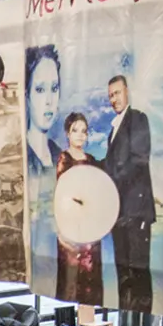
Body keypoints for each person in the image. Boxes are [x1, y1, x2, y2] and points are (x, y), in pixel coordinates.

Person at [103, 74, 155, 313]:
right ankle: (126, 317)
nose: (114, 99)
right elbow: (114, 165)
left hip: (135, 212)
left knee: (138, 271)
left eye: (117, 93)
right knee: (124, 272)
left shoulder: (137, 120)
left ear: (127, 92)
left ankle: (140, 323)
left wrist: (109, 177)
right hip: (119, 213)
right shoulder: (113, 129)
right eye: (111, 95)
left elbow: (138, 160)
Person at [55, 112, 105, 305]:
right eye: (75, 130)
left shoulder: (92, 160)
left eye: (84, 131)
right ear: (68, 133)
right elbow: (63, 194)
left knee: (93, 277)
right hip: (72, 227)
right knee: (72, 276)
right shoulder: (64, 159)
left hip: (90, 228)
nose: (80, 135)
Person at [25, 45, 63, 176]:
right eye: (40, 90)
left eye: (54, 88)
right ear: (27, 95)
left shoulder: (60, 155)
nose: (49, 101)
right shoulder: (18, 156)